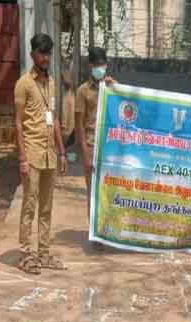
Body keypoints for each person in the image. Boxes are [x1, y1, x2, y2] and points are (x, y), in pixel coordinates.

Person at [14, 33, 68, 274]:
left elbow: (53, 118)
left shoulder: (51, 82)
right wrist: (22, 158)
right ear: (32, 54)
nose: (45, 58)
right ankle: (25, 254)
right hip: (32, 153)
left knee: (47, 206)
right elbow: (18, 123)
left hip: (49, 155)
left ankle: (44, 253)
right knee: (30, 204)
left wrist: (63, 152)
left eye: (48, 53)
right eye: (41, 53)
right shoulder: (24, 83)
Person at [75, 46, 115, 236]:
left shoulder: (111, 87)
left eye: (103, 64)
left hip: (109, 148)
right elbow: (79, 125)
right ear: (91, 66)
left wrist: (116, 88)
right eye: (98, 65)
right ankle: (95, 232)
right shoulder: (83, 91)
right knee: (93, 193)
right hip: (92, 145)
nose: (101, 68)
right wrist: (85, 154)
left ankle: (107, 231)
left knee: (109, 191)